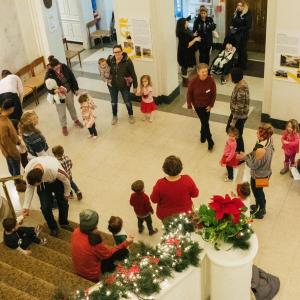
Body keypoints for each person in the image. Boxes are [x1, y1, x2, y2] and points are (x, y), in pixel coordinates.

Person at [71, 209, 133, 282]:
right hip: (92, 275)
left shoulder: (75, 232)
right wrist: (125, 243)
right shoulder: (94, 241)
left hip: (78, 270)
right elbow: (108, 254)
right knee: (123, 252)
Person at [22, 156, 73, 236]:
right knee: (45, 207)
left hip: (57, 180)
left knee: (63, 202)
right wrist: (26, 207)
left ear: (41, 179)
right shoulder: (28, 171)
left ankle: (63, 223)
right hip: (43, 186)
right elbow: (30, 188)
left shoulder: (55, 169)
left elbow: (66, 179)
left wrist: (67, 193)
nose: (35, 187)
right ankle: (53, 227)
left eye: (36, 185)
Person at [238, 124, 274, 219]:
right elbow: (255, 154)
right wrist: (247, 155)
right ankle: (260, 206)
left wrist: (245, 157)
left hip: (260, 175)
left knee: (257, 192)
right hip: (265, 173)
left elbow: (253, 165)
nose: (256, 133)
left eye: (258, 132)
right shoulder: (269, 140)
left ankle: (261, 210)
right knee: (259, 191)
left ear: (262, 136)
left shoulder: (261, 150)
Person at [151, 155, 199, 221]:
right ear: (180, 167)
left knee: (169, 228)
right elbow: (195, 194)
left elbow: (154, 200)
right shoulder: (187, 179)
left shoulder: (160, 184)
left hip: (166, 216)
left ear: (164, 169)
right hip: (185, 214)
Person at [45, 56, 83, 136]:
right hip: (59, 96)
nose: (57, 69)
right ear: (52, 67)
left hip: (68, 92)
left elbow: (72, 77)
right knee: (61, 111)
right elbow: (47, 85)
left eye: (58, 67)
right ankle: (64, 126)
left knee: (71, 106)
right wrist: (53, 91)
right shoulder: (49, 73)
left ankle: (75, 120)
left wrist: (76, 89)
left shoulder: (64, 67)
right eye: (55, 68)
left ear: (59, 64)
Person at [187, 63, 216, 150]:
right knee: (205, 122)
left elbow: (213, 94)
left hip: (207, 105)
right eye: (203, 72)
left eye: (206, 71)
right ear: (198, 72)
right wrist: (189, 105)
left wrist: (211, 105)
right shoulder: (193, 82)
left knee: (204, 122)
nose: (205, 73)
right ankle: (210, 140)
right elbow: (189, 94)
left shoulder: (211, 80)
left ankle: (203, 134)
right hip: (198, 105)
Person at [107, 45, 138, 125]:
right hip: (113, 85)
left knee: (127, 101)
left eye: (118, 52)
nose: (117, 54)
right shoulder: (111, 60)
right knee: (113, 102)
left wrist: (135, 86)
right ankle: (114, 116)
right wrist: (105, 77)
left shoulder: (127, 61)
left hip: (124, 85)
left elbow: (133, 74)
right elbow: (103, 67)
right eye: (115, 52)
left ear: (122, 51)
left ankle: (131, 115)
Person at [0, 100, 26, 192]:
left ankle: (17, 180)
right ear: (10, 108)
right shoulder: (3, 124)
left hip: (9, 149)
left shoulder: (5, 118)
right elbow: (5, 141)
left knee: (12, 167)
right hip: (11, 150)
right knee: (15, 169)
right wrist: (14, 152)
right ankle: (18, 185)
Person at [226, 68, 250, 153]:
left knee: (237, 135)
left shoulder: (241, 88)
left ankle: (240, 152)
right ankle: (237, 149)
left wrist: (233, 121)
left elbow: (239, 107)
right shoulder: (240, 84)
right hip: (236, 114)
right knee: (230, 130)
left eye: (230, 75)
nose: (229, 77)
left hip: (239, 116)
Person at [176, 17, 200, 87]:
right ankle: (185, 82)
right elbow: (188, 45)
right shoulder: (182, 33)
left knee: (185, 66)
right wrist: (195, 39)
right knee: (184, 66)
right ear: (183, 24)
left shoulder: (185, 29)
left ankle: (185, 80)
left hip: (186, 52)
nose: (187, 23)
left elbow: (189, 35)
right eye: (186, 22)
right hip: (184, 52)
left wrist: (193, 35)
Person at [227, 1, 252, 69]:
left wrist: (237, 29)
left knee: (242, 50)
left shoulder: (247, 13)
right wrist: (231, 28)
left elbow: (248, 26)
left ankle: (243, 65)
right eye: (238, 5)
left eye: (241, 5)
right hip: (235, 35)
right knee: (236, 50)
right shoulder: (236, 13)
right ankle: (238, 63)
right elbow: (232, 22)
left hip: (243, 35)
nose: (239, 7)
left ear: (244, 7)